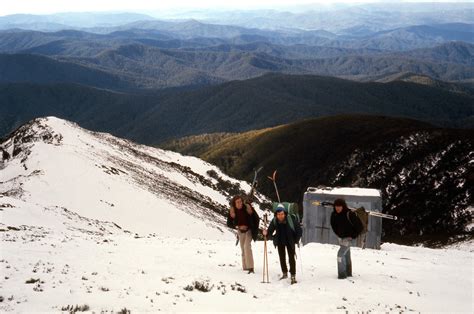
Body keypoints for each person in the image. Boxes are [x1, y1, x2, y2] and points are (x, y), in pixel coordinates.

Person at [263, 203, 302, 284]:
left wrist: (296, 240)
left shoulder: (291, 220)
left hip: (290, 240)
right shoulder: (275, 220)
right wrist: (266, 233)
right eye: (278, 214)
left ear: (285, 214)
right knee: (282, 257)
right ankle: (284, 273)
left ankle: (293, 275)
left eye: (282, 214)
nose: (280, 216)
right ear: (276, 215)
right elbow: (270, 231)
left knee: (291, 258)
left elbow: (299, 230)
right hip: (280, 240)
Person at [330, 198, 363, 279]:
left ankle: (342, 275)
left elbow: (360, 227)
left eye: (339, 206)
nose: (337, 208)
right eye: (336, 206)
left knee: (340, 255)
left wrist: (353, 236)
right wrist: (338, 234)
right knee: (346, 255)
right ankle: (348, 273)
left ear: (343, 206)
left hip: (348, 238)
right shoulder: (334, 215)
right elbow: (333, 226)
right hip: (340, 238)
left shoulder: (350, 214)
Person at [228, 195, 259, 274]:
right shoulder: (232, 211)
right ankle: (245, 267)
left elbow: (256, 218)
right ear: (234, 204)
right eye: (237, 202)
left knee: (246, 246)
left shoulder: (248, 208)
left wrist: (253, 228)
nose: (240, 203)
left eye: (240, 201)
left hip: (249, 230)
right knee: (242, 248)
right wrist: (238, 226)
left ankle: (251, 268)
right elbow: (229, 223)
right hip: (240, 231)